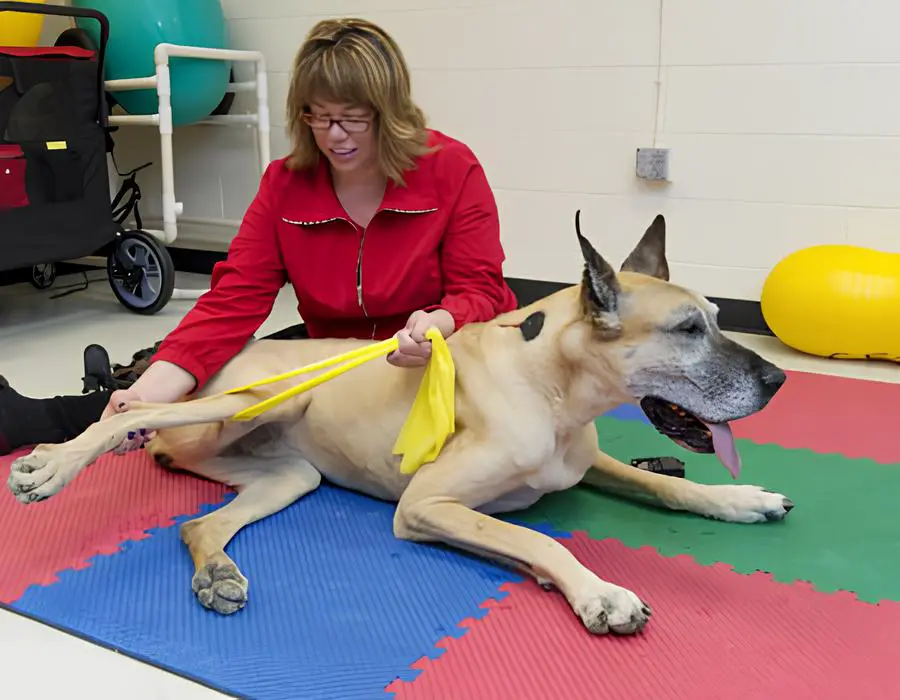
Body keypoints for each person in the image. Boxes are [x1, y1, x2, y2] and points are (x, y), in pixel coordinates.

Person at [0, 17, 519, 457]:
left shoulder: (450, 169)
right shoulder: (286, 184)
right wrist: (150, 392)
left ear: (391, 110)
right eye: (318, 117)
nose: (334, 135)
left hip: (436, 368)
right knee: (201, 374)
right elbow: (234, 300)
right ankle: (89, 403)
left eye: (352, 119)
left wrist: (441, 323)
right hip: (332, 363)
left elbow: (483, 291)